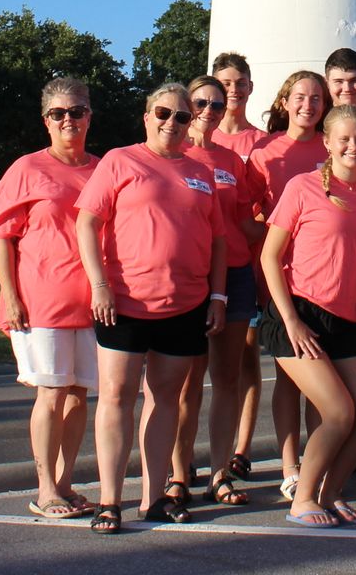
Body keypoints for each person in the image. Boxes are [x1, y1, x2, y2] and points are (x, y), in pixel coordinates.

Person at [75, 84, 230, 534]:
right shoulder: (120, 161)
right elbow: (87, 221)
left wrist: (217, 296)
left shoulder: (201, 170)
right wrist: (99, 285)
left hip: (185, 305)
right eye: (163, 113)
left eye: (183, 117)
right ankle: (110, 500)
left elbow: (218, 238)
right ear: (146, 116)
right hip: (124, 302)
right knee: (117, 398)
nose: (172, 122)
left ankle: (153, 497)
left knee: (165, 401)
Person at [259, 104, 356, 526]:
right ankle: (302, 499)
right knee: (338, 413)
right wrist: (292, 321)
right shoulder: (302, 187)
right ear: (329, 143)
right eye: (345, 139)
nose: (353, 146)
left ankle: (331, 493)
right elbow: (269, 256)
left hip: (346, 320)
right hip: (298, 314)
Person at [0, 77, 100, 520]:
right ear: (45, 119)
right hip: (40, 300)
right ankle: (45, 487)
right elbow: (1, 237)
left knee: (77, 395)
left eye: (78, 111)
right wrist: (10, 297)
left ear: (90, 115)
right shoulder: (26, 169)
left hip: (92, 302)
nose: (69, 119)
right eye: (59, 113)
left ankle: (67, 485)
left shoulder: (103, 167)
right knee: (50, 392)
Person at [246, 70, 334, 500]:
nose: (308, 104)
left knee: (323, 376)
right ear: (285, 101)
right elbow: (248, 212)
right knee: (288, 377)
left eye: (317, 97)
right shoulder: (265, 153)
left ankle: (320, 459)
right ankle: (290, 466)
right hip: (281, 278)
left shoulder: (332, 148)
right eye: (300, 96)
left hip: (329, 281)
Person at [175, 75, 260, 506]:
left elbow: (246, 220)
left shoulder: (232, 160)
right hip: (192, 276)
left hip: (237, 273)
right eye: (199, 103)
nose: (207, 111)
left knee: (226, 379)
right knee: (186, 383)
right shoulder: (171, 155)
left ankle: (220, 473)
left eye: (215, 103)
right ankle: (177, 472)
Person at [209, 50, 263, 484]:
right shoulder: (191, 142)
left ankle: (240, 449)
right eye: (223, 83)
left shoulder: (260, 142)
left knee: (245, 357)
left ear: (250, 86)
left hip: (244, 263)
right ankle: (186, 458)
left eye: (239, 82)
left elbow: (256, 210)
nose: (231, 91)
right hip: (199, 269)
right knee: (193, 370)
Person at [326, 47, 356, 112]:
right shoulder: (318, 121)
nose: (347, 89)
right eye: (339, 81)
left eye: (354, 80)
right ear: (327, 84)